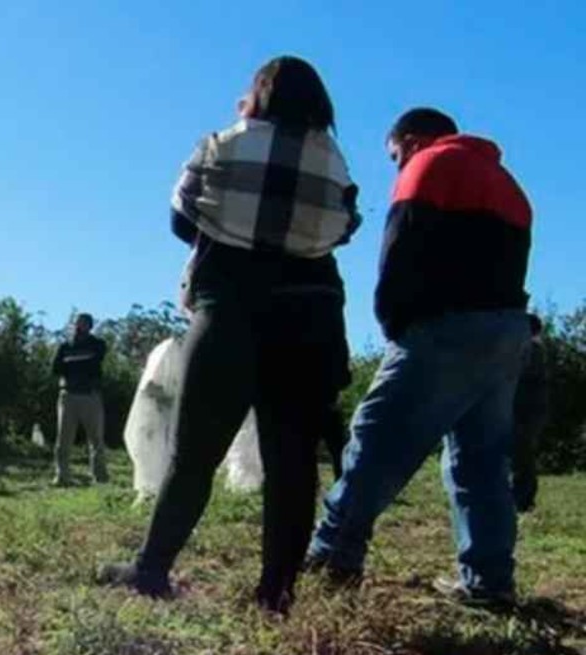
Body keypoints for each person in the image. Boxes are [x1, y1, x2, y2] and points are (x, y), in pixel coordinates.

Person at [99, 56, 361, 614]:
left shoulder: (220, 144)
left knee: (192, 454)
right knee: (291, 465)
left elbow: (179, 218)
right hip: (309, 316)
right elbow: (345, 227)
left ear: (257, 94)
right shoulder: (334, 160)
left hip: (231, 310)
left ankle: (151, 570)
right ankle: (275, 594)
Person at [306, 108, 533, 607]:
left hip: (444, 329)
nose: (395, 165)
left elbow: (399, 251)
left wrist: (395, 326)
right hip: (505, 332)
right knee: (480, 462)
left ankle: (331, 556)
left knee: (376, 439)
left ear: (409, 141)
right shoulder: (507, 184)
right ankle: (489, 582)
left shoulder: (427, 165)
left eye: (393, 156)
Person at [52, 313, 109, 486]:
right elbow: (56, 368)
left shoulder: (97, 345)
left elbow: (94, 362)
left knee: (96, 439)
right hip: (68, 395)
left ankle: (100, 477)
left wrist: (75, 364)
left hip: (90, 396)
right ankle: (62, 476)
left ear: (89, 326)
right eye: (77, 323)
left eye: (83, 323)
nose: (78, 326)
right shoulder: (65, 346)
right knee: (63, 439)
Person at [512, 314, 549, 513]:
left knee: (521, 454)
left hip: (526, 410)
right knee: (521, 454)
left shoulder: (532, 349)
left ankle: (523, 499)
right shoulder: (534, 348)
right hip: (530, 410)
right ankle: (521, 497)